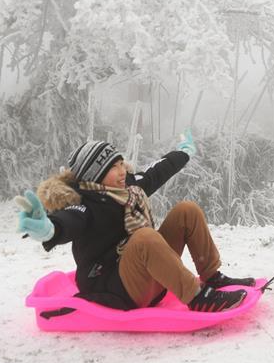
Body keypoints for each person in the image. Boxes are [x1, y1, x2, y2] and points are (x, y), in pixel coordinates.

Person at [16, 130, 255, 312]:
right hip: (115, 288)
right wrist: (48, 229)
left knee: (186, 210)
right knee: (144, 237)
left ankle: (212, 276)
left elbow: (156, 172)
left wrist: (184, 153)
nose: (122, 171)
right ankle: (200, 299)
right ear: (95, 175)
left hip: (148, 278)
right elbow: (69, 220)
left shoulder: (129, 188)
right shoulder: (85, 203)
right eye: (113, 167)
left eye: (121, 163)